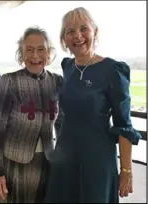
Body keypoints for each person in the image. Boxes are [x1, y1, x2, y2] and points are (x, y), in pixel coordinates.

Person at [44, 7, 142, 203]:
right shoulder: (68, 67)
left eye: (83, 29)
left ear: (94, 32)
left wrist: (126, 170)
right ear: (64, 39)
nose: (77, 36)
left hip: (97, 159)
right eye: (70, 31)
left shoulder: (113, 70)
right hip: (64, 157)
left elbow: (124, 125)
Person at [0, 26, 63, 203]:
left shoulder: (57, 81)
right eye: (29, 50)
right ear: (21, 54)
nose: (35, 56)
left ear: (49, 53)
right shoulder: (9, 81)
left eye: (41, 49)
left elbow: (61, 124)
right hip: (13, 163)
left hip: (46, 162)